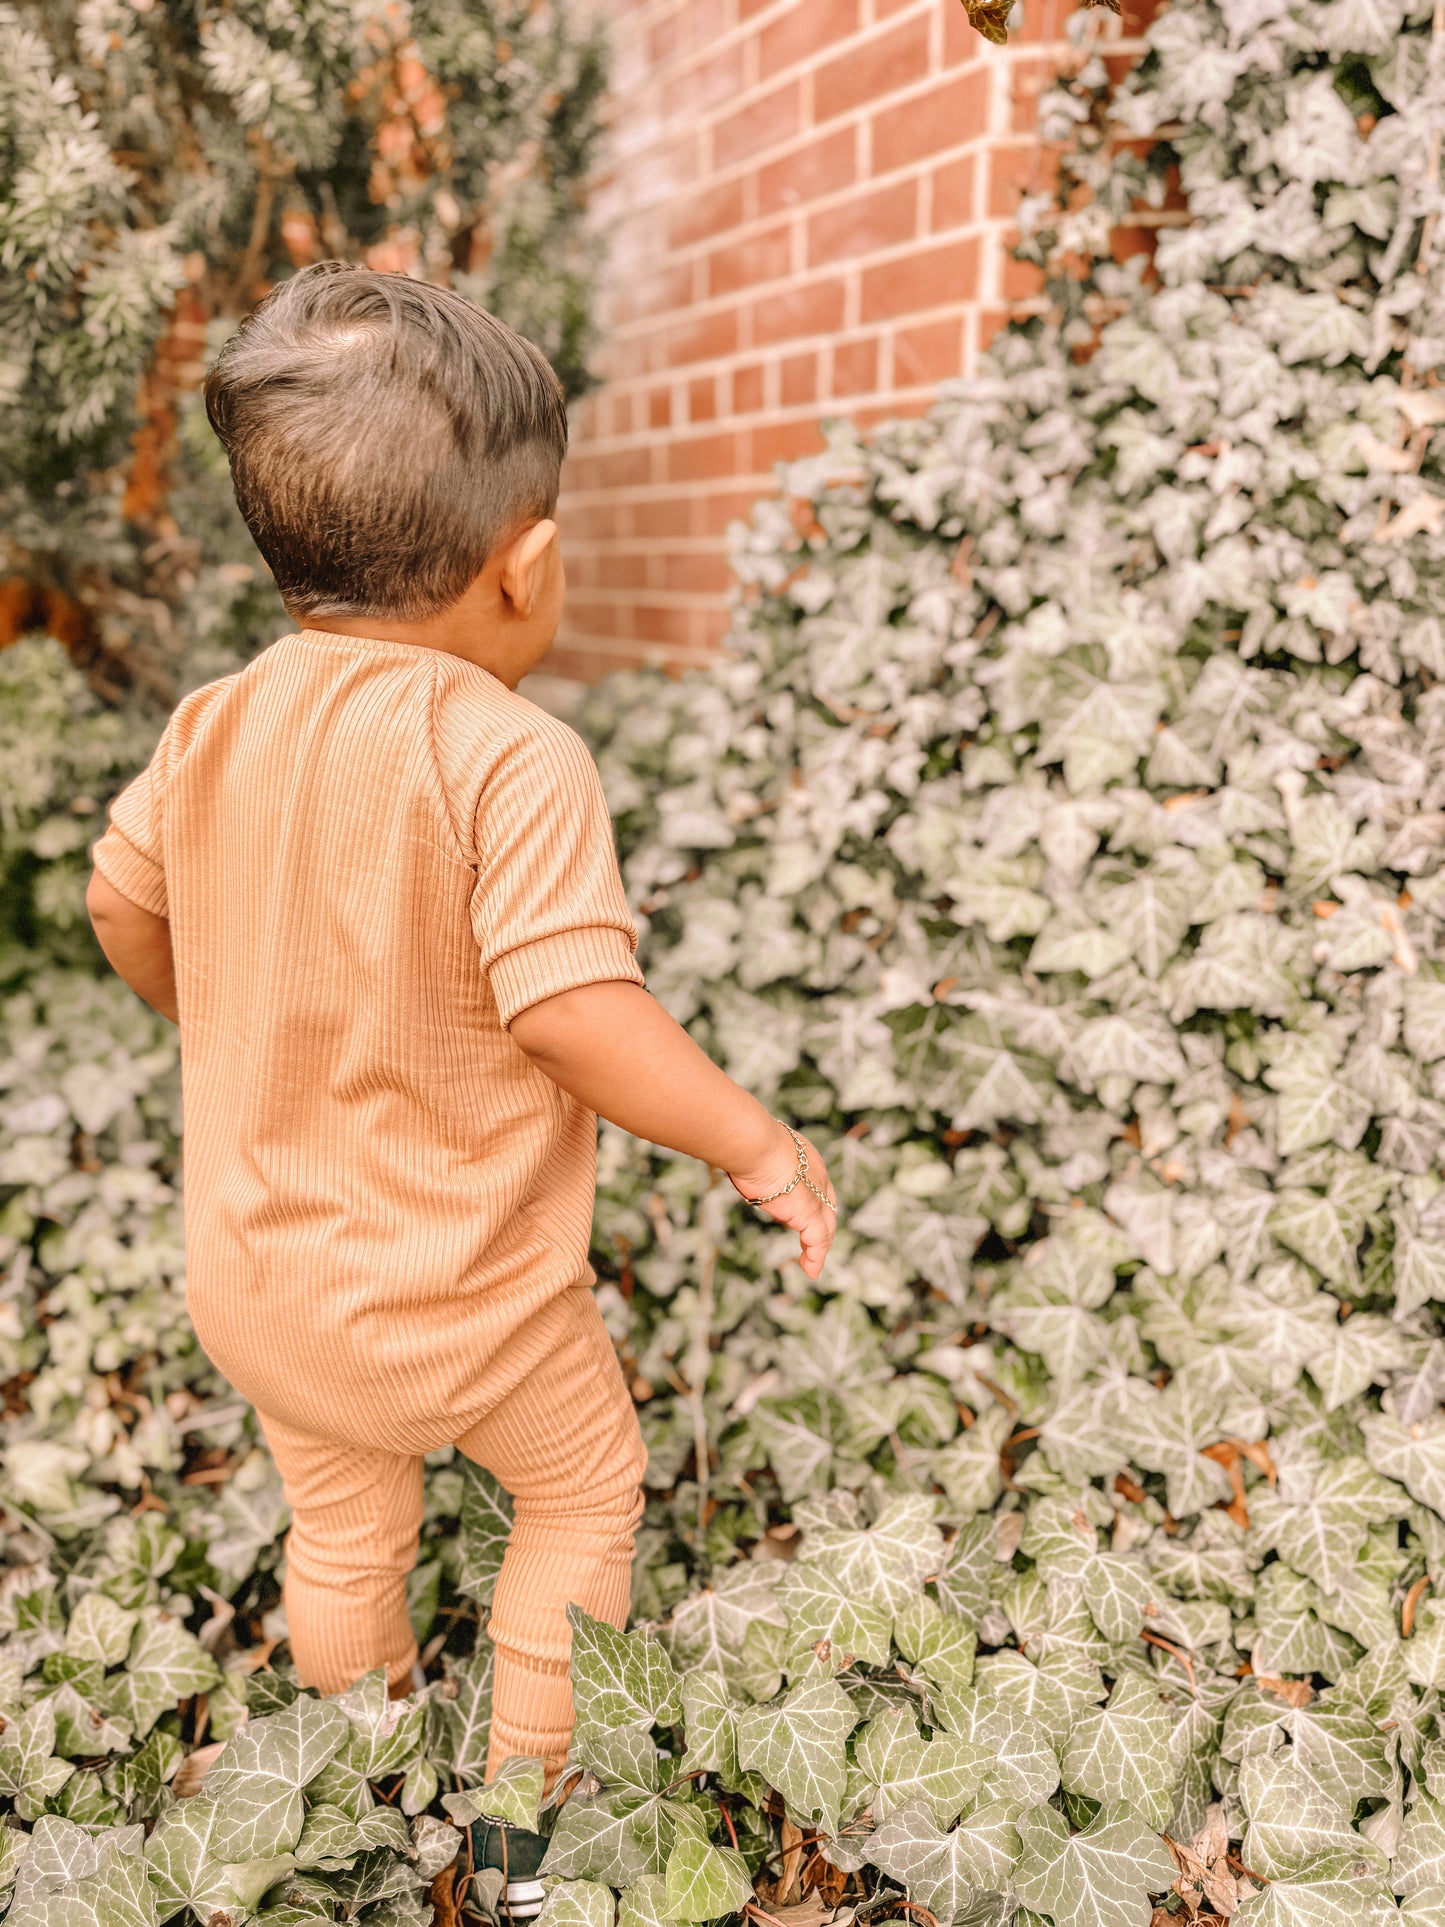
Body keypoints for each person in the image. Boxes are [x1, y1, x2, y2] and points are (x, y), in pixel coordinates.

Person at [84, 263, 837, 1851]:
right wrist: (751, 1142)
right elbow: (574, 1010)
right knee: (577, 1493)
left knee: (343, 1527)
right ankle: (521, 1813)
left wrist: (218, 1020)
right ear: (526, 568)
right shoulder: (509, 755)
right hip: (464, 1297)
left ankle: (357, 1784)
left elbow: (119, 902)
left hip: (265, 1284)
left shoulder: (211, 724)